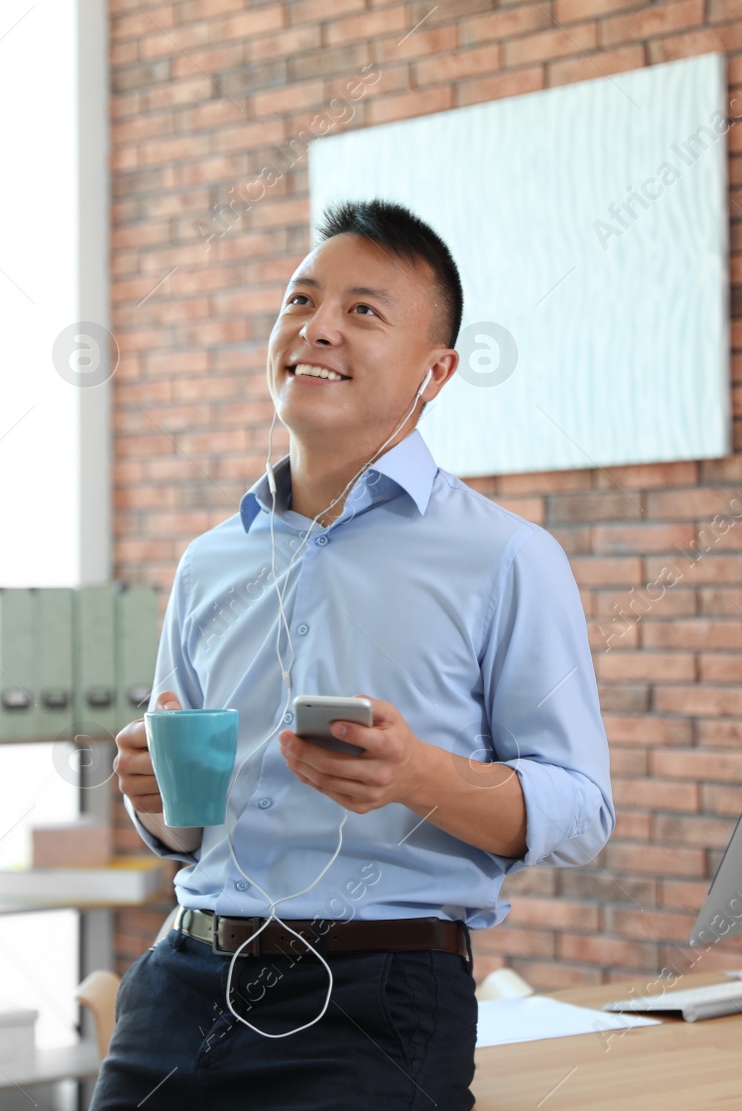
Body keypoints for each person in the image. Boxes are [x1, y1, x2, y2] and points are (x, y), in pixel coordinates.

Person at [94, 199, 613, 1110]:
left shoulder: (506, 557)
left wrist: (418, 775)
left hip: (381, 1003)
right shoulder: (211, 559)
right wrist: (159, 803)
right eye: (301, 300)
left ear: (435, 371)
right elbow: (191, 829)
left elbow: (581, 807)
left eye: (362, 311)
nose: (316, 327)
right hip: (183, 983)